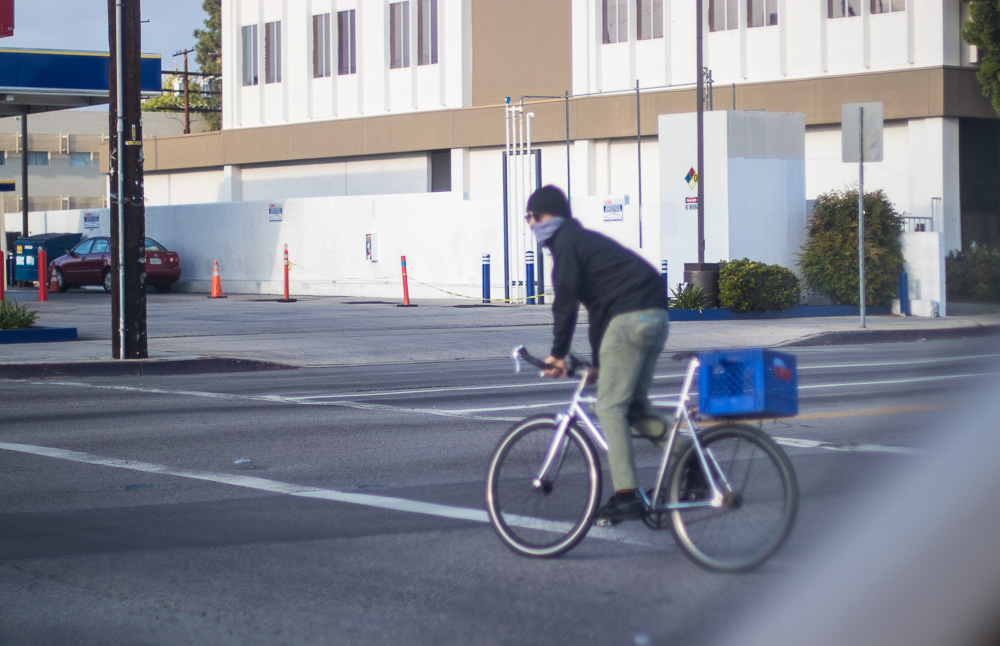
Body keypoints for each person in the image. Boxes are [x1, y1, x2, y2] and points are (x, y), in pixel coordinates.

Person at [525, 185, 671, 523]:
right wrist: (599, 365)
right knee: (633, 409)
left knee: (607, 406)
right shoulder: (584, 241)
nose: (530, 223)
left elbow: (565, 304)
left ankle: (626, 496)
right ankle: (692, 471)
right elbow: (600, 311)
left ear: (547, 216)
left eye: (533, 216)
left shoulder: (567, 245)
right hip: (654, 317)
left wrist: (558, 353)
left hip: (630, 319)